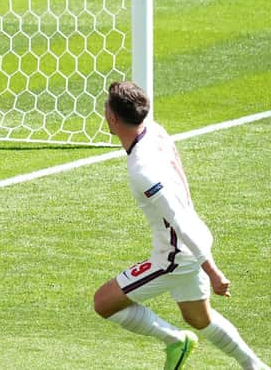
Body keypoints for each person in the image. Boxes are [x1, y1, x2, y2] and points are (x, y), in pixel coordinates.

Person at [93, 81, 269, 370]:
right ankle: (255, 366)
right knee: (199, 317)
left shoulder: (142, 171)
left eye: (105, 108)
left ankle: (175, 339)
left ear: (112, 118)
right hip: (194, 238)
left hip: (177, 255)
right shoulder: (156, 132)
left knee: (103, 302)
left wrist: (211, 271)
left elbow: (177, 218)